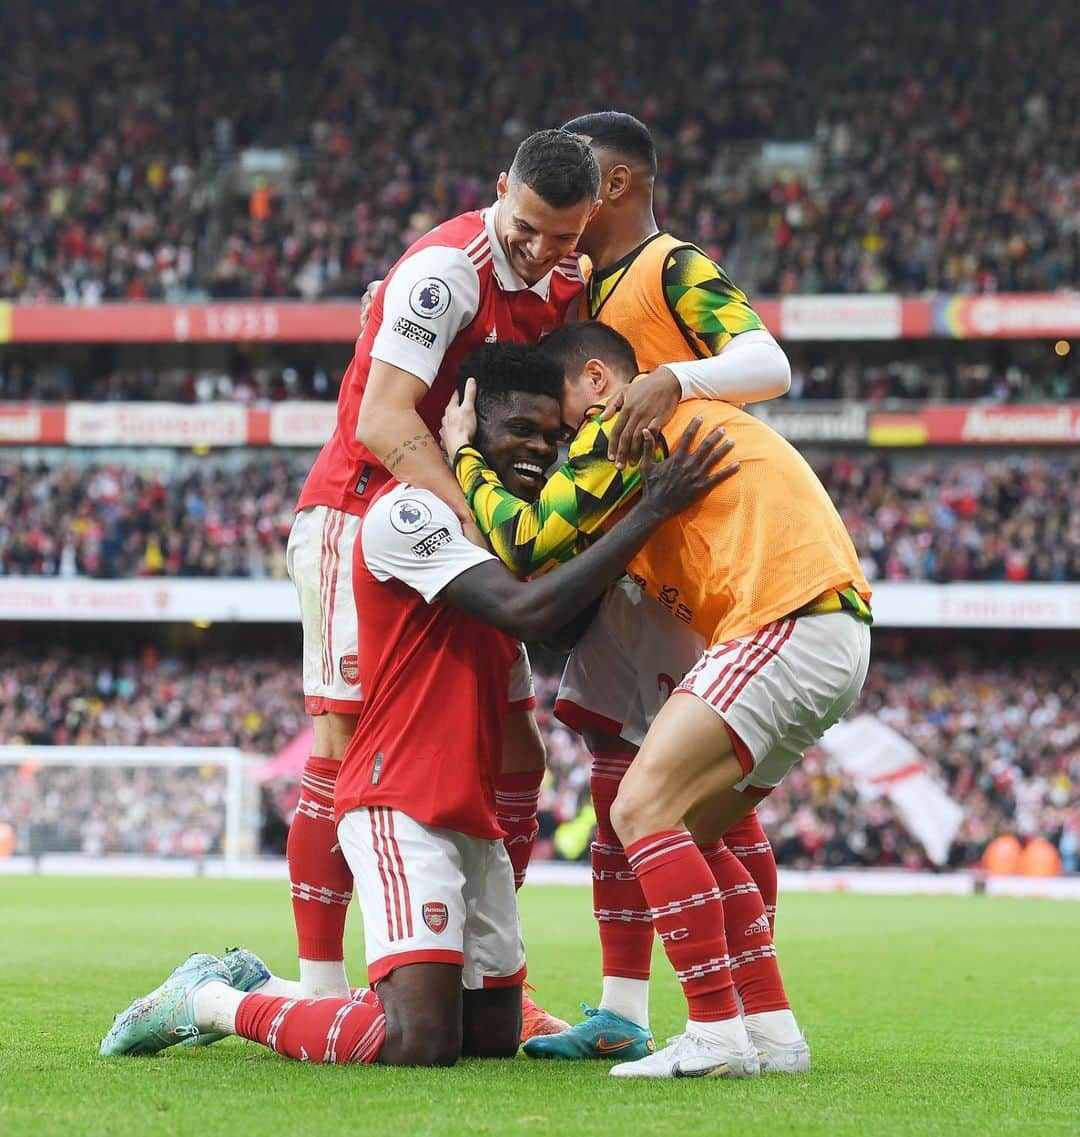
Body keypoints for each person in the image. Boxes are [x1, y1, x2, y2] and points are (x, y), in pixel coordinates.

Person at [100, 344, 739, 1067]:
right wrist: (651, 509)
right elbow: (529, 611)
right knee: (418, 1040)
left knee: (492, 1037)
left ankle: (277, 985)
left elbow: (562, 625)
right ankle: (210, 999)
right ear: (462, 426)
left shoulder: (507, 532)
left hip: (472, 817)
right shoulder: (407, 513)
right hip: (397, 799)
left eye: (553, 440)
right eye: (521, 432)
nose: (540, 451)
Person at [448, 111, 798, 1064]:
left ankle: (752, 1008)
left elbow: (770, 363)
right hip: (625, 560)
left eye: (576, 192)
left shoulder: (671, 265)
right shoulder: (580, 285)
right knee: (615, 781)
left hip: (683, 549)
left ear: (612, 186)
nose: (555, 227)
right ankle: (621, 1008)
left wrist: (674, 381)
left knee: (692, 800)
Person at [447, 322, 872, 1078]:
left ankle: (713, 1033)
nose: (568, 439)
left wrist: (462, 456)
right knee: (697, 832)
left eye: (571, 416)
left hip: (785, 616)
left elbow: (523, 541)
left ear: (602, 383)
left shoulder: (628, 427)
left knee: (637, 808)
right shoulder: (677, 423)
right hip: (831, 628)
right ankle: (771, 1031)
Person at [283, 128, 599, 1028]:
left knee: (517, 752)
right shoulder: (446, 272)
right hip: (363, 512)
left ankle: (496, 978)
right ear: (501, 189)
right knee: (341, 749)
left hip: (458, 530)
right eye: (529, 227)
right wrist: (472, 508)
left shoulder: (567, 283)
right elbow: (386, 420)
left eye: (564, 238)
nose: (540, 252)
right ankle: (315, 988)